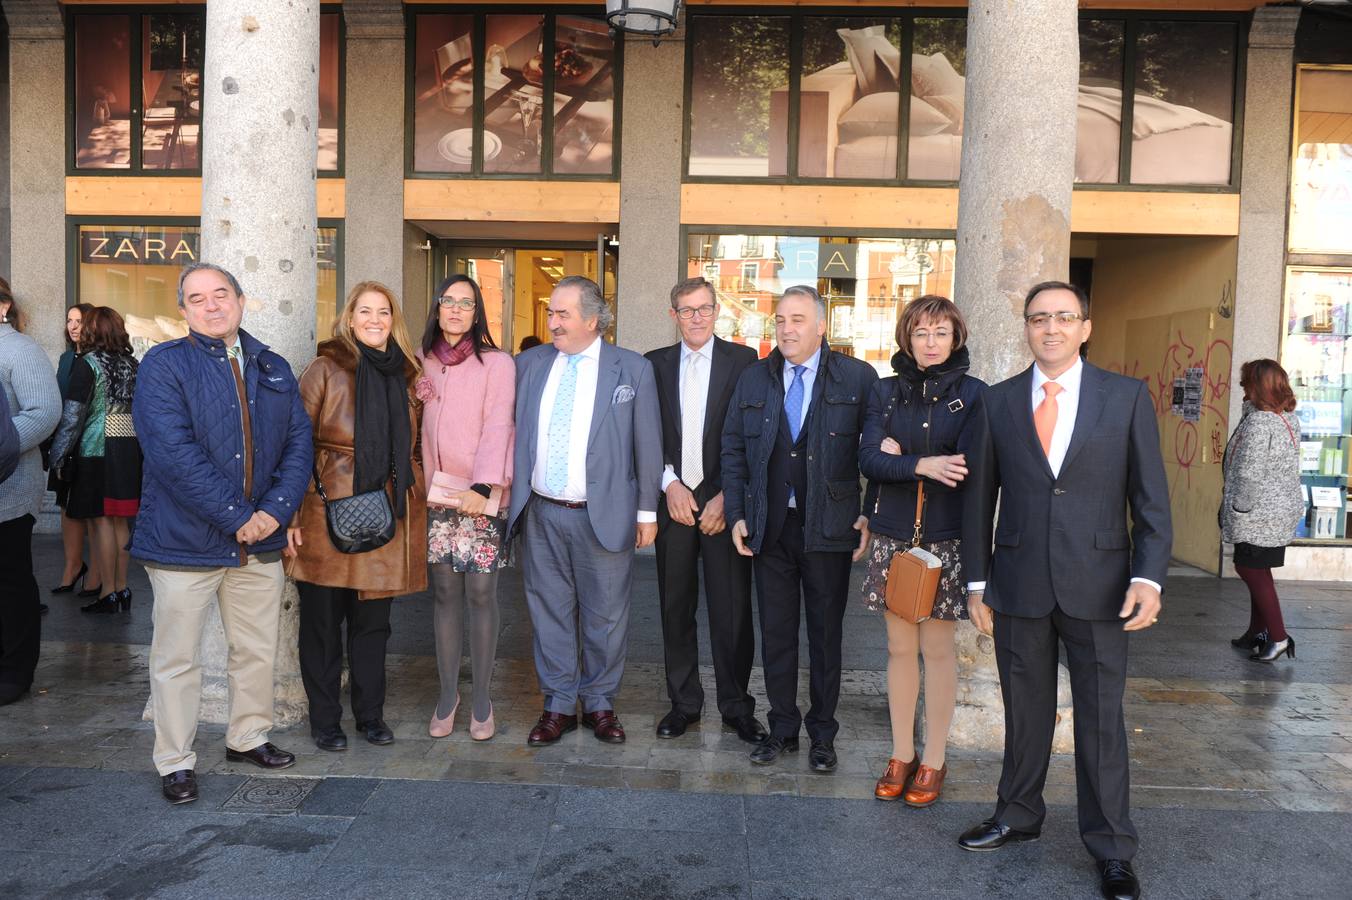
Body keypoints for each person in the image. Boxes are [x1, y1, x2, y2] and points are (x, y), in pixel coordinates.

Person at [959, 281, 1171, 900]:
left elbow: (1150, 499)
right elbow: (979, 500)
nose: (1050, 328)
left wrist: (1149, 577)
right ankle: (1017, 815)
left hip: (1102, 587)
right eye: (1038, 318)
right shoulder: (997, 401)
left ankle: (1112, 847)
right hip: (1018, 582)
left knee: (1101, 720)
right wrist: (977, 581)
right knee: (1024, 713)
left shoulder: (1125, 397)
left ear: (1085, 327)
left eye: (1063, 317)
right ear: (1026, 327)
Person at [132, 262, 313, 805]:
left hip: (259, 542)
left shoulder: (273, 365)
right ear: (182, 309)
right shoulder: (164, 365)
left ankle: (248, 736)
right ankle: (175, 760)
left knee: (255, 649)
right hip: (184, 541)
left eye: (221, 294)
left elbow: (298, 444)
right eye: (197, 298)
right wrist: (239, 516)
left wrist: (274, 512)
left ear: (241, 299)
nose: (212, 305)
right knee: (177, 659)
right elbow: (172, 454)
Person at [721, 285, 877, 772]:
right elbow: (733, 449)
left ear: (822, 326)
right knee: (777, 633)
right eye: (780, 320)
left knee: (826, 636)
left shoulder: (858, 377)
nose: (786, 330)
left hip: (829, 527)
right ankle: (783, 728)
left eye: (797, 320)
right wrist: (738, 512)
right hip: (770, 526)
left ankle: (822, 735)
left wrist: (869, 513)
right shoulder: (754, 378)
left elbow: (877, 452)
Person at [507, 275, 662, 747]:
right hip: (542, 513)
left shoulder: (631, 369)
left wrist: (647, 512)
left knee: (606, 617)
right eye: (551, 313)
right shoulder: (528, 364)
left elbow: (648, 444)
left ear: (593, 320)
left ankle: (599, 703)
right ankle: (557, 704)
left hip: (605, 514)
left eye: (562, 314)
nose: (552, 322)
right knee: (548, 612)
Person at [286, 281, 428, 751]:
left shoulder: (408, 374)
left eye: (383, 312)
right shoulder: (325, 368)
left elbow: (418, 445)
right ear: (349, 319)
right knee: (322, 625)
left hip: (386, 510)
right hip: (324, 510)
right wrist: (290, 515)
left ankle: (370, 716)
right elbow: (295, 444)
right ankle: (325, 720)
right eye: (364, 311)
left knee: (373, 626)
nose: (374, 320)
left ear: (393, 320)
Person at [858, 295, 985, 806]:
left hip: (946, 538)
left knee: (937, 650)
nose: (930, 343)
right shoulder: (884, 391)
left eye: (940, 333)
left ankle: (933, 759)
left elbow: (967, 470)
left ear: (956, 338)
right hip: (894, 537)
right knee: (898, 648)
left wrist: (903, 457)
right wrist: (923, 464)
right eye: (920, 333)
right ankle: (901, 754)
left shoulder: (975, 396)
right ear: (906, 338)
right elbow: (869, 460)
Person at [644, 277, 765, 744]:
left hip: (722, 505)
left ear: (717, 312)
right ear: (672, 315)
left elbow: (754, 436)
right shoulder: (653, 364)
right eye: (686, 310)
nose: (696, 318)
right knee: (675, 607)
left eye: (704, 309)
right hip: (674, 502)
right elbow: (647, 434)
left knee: (732, 611)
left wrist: (729, 497)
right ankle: (684, 704)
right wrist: (668, 483)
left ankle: (736, 706)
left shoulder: (745, 362)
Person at [419, 275, 515, 741]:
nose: (456, 309)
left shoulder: (496, 362)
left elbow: (500, 424)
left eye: (466, 303)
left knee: (480, 593)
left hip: (480, 492)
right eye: (448, 301)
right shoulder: (423, 361)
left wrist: (484, 483)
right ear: (437, 308)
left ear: (477, 314)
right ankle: (447, 695)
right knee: (443, 593)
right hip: (437, 494)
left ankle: (480, 698)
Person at [47, 306, 143, 614]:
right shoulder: (133, 364)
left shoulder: (88, 364)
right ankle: (122, 588)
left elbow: (73, 416)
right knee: (120, 522)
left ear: (92, 330)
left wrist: (57, 455)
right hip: (128, 451)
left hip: (96, 449)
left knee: (101, 521)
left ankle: (108, 592)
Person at [0, 282, 61, 703]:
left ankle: (14, 671)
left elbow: (44, 412)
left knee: (10, 582)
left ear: (3, 306)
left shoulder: (19, 350)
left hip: (9, 490)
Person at [1221, 359, 1304, 664]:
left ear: (1257, 387)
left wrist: (1238, 508)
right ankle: (1257, 631)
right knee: (1260, 569)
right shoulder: (1286, 419)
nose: (1243, 387)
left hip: (1258, 513)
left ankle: (1278, 637)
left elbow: (1249, 474)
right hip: (1279, 509)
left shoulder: (1259, 423)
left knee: (1250, 569)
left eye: (1246, 383)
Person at [49, 303, 103, 599]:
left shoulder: (98, 359)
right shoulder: (66, 358)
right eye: (69, 320)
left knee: (91, 511)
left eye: (79, 320)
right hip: (64, 440)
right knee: (66, 506)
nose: (72, 326)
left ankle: (96, 573)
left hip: (90, 443)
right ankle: (73, 567)